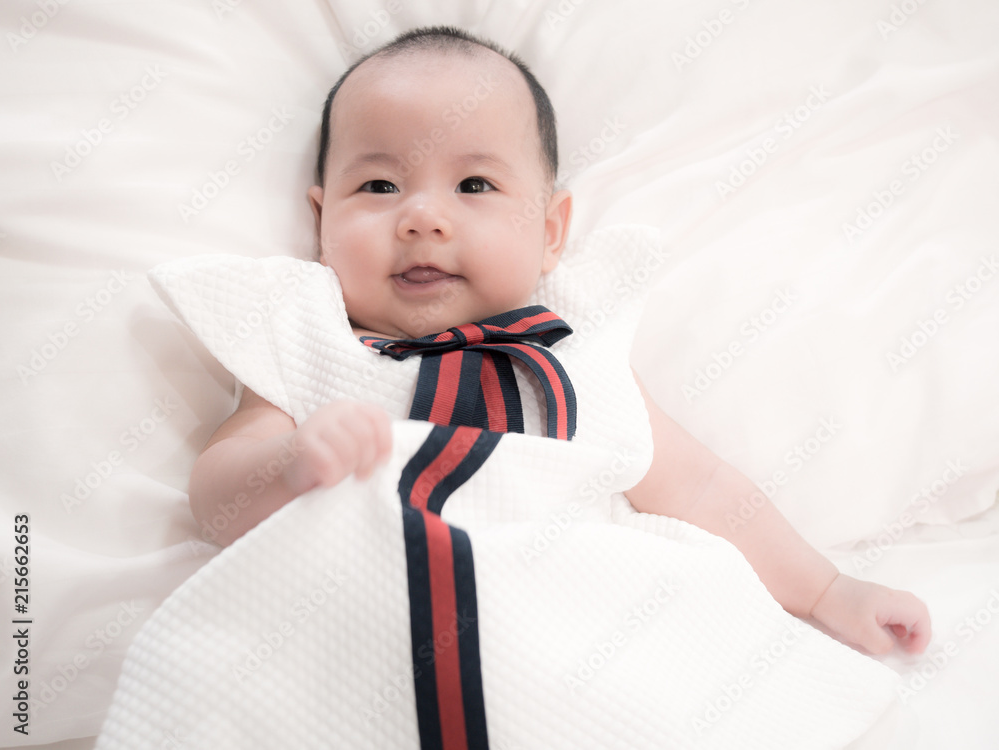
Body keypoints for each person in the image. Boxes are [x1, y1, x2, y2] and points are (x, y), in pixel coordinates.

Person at [188, 25, 930, 658]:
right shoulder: (308, 341)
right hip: (351, 646)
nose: (421, 216)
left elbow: (702, 489)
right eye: (378, 187)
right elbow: (215, 501)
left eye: (474, 185)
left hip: (570, 645)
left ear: (549, 233)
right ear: (320, 221)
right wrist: (290, 463)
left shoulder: (575, 356)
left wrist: (828, 590)